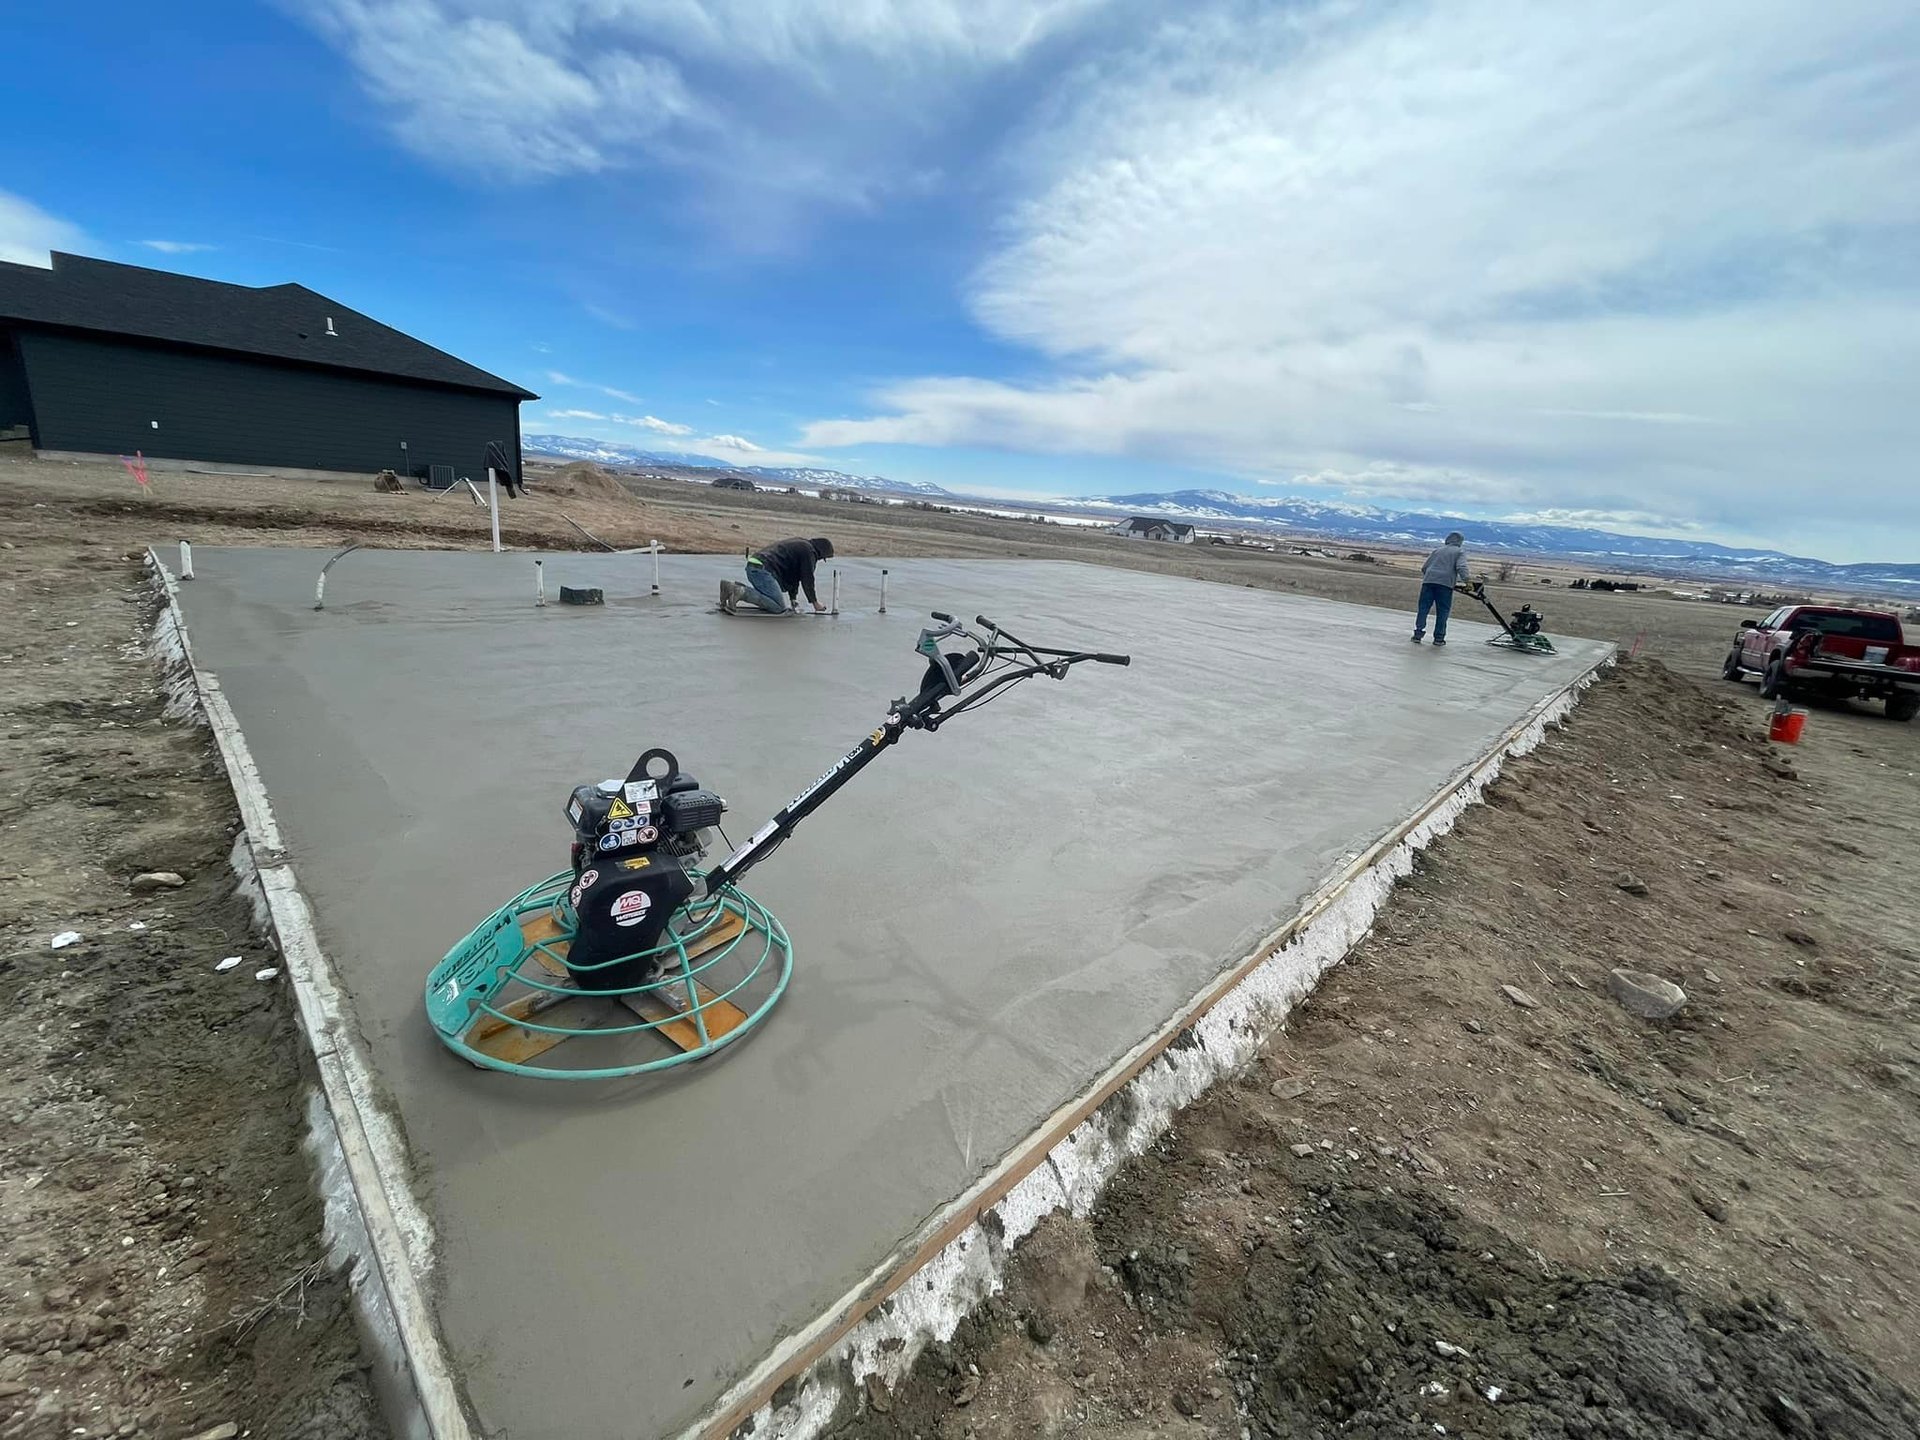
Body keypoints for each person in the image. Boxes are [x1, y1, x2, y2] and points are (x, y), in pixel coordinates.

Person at [721, 537, 835, 615]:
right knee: (778, 607)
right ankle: (740, 592)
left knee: (770, 600)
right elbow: (807, 579)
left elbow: (795, 576)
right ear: (821, 552)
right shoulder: (809, 552)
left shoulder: (801, 544)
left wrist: (793, 599)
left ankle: (731, 587)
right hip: (763, 571)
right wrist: (815, 603)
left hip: (754, 566)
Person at [1412, 531, 1470, 645]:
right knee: (1443, 611)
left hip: (1428, 582)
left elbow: (1424, 568)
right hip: (1445, 585)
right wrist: (1467, 581)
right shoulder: (1459, 552)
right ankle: (1439, 638)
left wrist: (1431, 577)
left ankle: (1417, 635)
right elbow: (1461, 567)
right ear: (1460, 541)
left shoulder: (1437, 551)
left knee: (1423, 609)